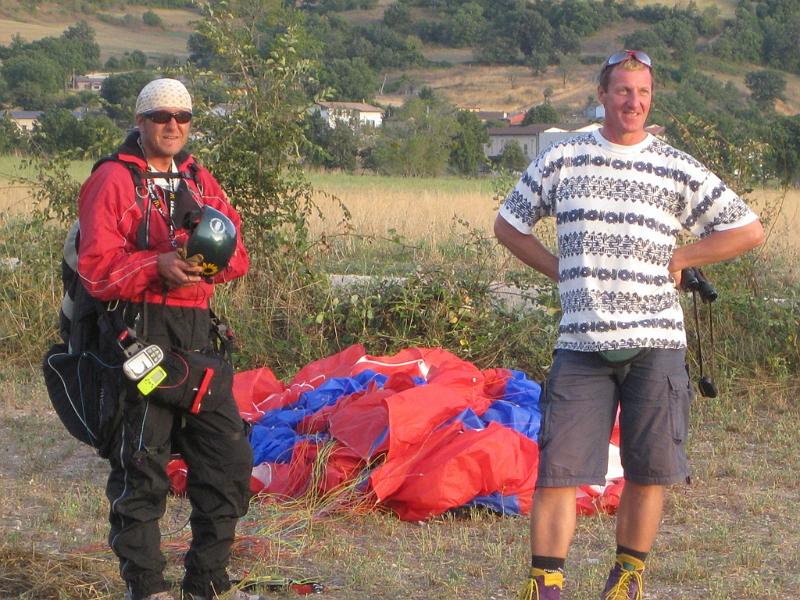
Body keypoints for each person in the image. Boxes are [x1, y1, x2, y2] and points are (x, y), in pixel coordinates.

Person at [494, 50, 765, 600]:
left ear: (652, 98)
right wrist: (561, 269)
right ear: (602, 96)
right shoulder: (563, 157)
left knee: (649, 470)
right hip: (581, 343)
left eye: (642, 93)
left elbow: (747, 230)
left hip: (656, 344)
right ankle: (545, 583)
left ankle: (627, 579)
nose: (633, 102)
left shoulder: (675, 165)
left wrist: (683, 257)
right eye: (622, 91)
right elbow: (509, 225)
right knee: (558, 472)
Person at [77, 78, 263, 600]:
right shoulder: (112, 181)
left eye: (182, 117)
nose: (173, 126)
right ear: (140, 121)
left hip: (198, 339)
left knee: (229, 467)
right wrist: (156, 265)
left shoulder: (201, 180)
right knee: (143, 472)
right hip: (137, 336)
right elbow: (95, 271)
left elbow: (239, 255)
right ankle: (148, 589)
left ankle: (206, 583)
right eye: (161, 116)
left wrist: (204, 264)